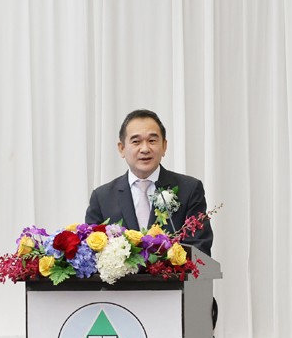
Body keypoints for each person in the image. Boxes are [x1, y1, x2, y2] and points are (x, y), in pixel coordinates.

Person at [85, 109, 214, 256]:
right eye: (136, 141)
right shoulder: (102, 198)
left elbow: (200, 249)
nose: (145, 149)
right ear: (122, 148)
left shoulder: (189, 190)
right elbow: (91, 253)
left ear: (164, 146)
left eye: (152, 140)